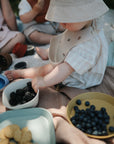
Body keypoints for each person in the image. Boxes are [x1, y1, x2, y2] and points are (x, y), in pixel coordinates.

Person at [5, 0, 111, 143]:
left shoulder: (88, 46)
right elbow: (65, 43)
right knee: (61, 46)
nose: (62, 25)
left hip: (81, 75)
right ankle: (45, 56)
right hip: (71, 51)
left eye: (66, 21)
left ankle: (27, 72)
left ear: (85, 15)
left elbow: (64, 70)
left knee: (50, 69)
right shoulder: (84, 22)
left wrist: (45, 81)